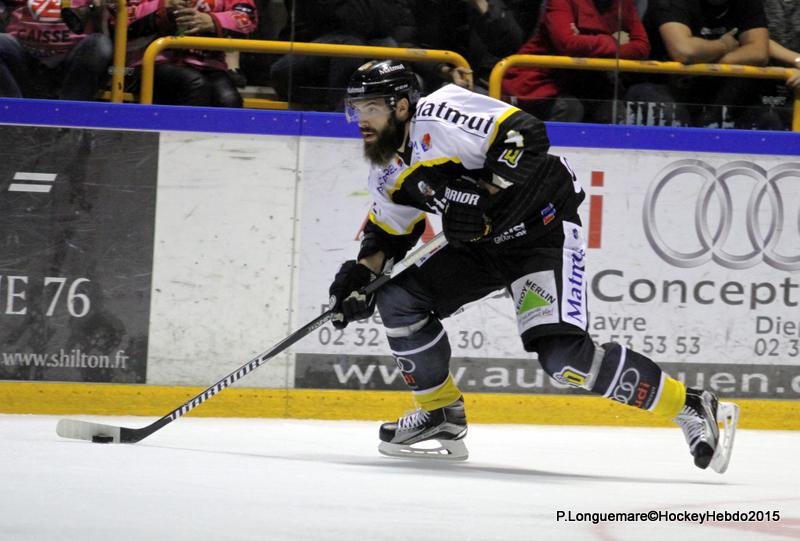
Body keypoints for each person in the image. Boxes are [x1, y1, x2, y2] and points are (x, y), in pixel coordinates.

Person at [327, 59, 739, 472]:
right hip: (480, 246)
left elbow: (525, 133)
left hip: (540, 233)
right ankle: (440, 415)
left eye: (371, 108)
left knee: (565, 359)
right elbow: (390, 232)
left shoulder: (441, 113)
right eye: (356, 109)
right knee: (397, 298)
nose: (361, 119)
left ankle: (689, 404)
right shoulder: (386, 169)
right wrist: (360, 277)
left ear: (401, 106)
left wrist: (483, 192)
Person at [627, 0, 770, 128]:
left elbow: (759, 53)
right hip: (663, 85)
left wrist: (701, 62)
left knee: (766, 118)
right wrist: (723, 45)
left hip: (717, 88)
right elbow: (684, 52)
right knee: (669, 113)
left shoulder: (747, 3)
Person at [501, 0, 650, 123]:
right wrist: (613, 41)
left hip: (589, 84)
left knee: (613, 111)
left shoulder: (623, 4)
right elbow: (567, 43)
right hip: (540, 84)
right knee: (569, 108)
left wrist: (584, 40)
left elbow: (642, 47)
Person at [117, 0, 257, 107]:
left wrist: (213, 21)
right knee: (194, 83)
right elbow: (117, 17)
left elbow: (249, 17)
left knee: (229, 98)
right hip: (142, 64)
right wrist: (162, 5)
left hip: (208, 65)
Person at [0, 0, 111, 100]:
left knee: (99, 44)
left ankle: (69, 110)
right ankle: (12, 109)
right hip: (23, 63)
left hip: (74, 64)